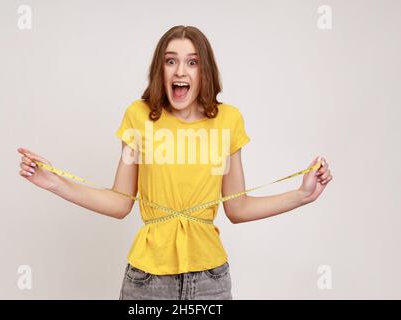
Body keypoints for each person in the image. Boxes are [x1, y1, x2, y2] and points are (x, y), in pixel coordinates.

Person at [17, 25, 332, 300]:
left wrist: (301, 195)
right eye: (171, 61)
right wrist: (54, 182)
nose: (181, 71)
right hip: (148, 279)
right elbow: (119, 202)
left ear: (203, 71)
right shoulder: (139, 117)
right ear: (161, 69)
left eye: (192, 62)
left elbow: (237, 208)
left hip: (211, 279)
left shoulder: (228, 121)